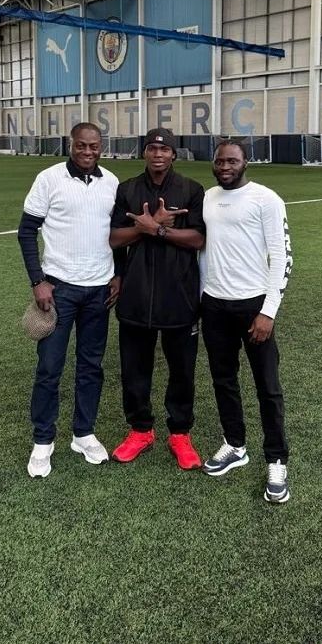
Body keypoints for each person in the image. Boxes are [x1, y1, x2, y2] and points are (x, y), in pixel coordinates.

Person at [17, 122, 120, 478]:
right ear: (70, 145)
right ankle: (43, 441)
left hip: (99, 292)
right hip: (58, 290)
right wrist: (38, 281)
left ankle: (83, 433)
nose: (88, 152)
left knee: (91, 366)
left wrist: (117, 275)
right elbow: (26, 231)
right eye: (81, 146)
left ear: (101, 147)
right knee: (49, 368)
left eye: (94, 146)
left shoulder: (112, 183)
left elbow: (118, 236)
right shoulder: (49, 179)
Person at [200, 140, 293, 503]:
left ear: (245, 163)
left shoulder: (266, 199)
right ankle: (235, 445)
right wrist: (200, 300)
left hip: (253, 306)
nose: (225, 166)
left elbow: (283, 257)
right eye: (220, 160)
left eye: (232, 160)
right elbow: (204, 252)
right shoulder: (207, 198)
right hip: (214, 305)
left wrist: (268, 311)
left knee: (267, 387)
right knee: (223, 381)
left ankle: (277, 459)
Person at [109, 128, 205, 470]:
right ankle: (140, 430)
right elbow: (114, 239)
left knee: (182, 371)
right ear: (144, 153)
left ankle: (180, 433)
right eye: (152, 149)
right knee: (134, 370)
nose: (158, 155)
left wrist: (161, 230)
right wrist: (143, 228)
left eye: (165, 150)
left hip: (179, 296)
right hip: (136, 295)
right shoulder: (128, 190)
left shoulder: (192, 190)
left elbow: (198, 239)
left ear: (174, 155)